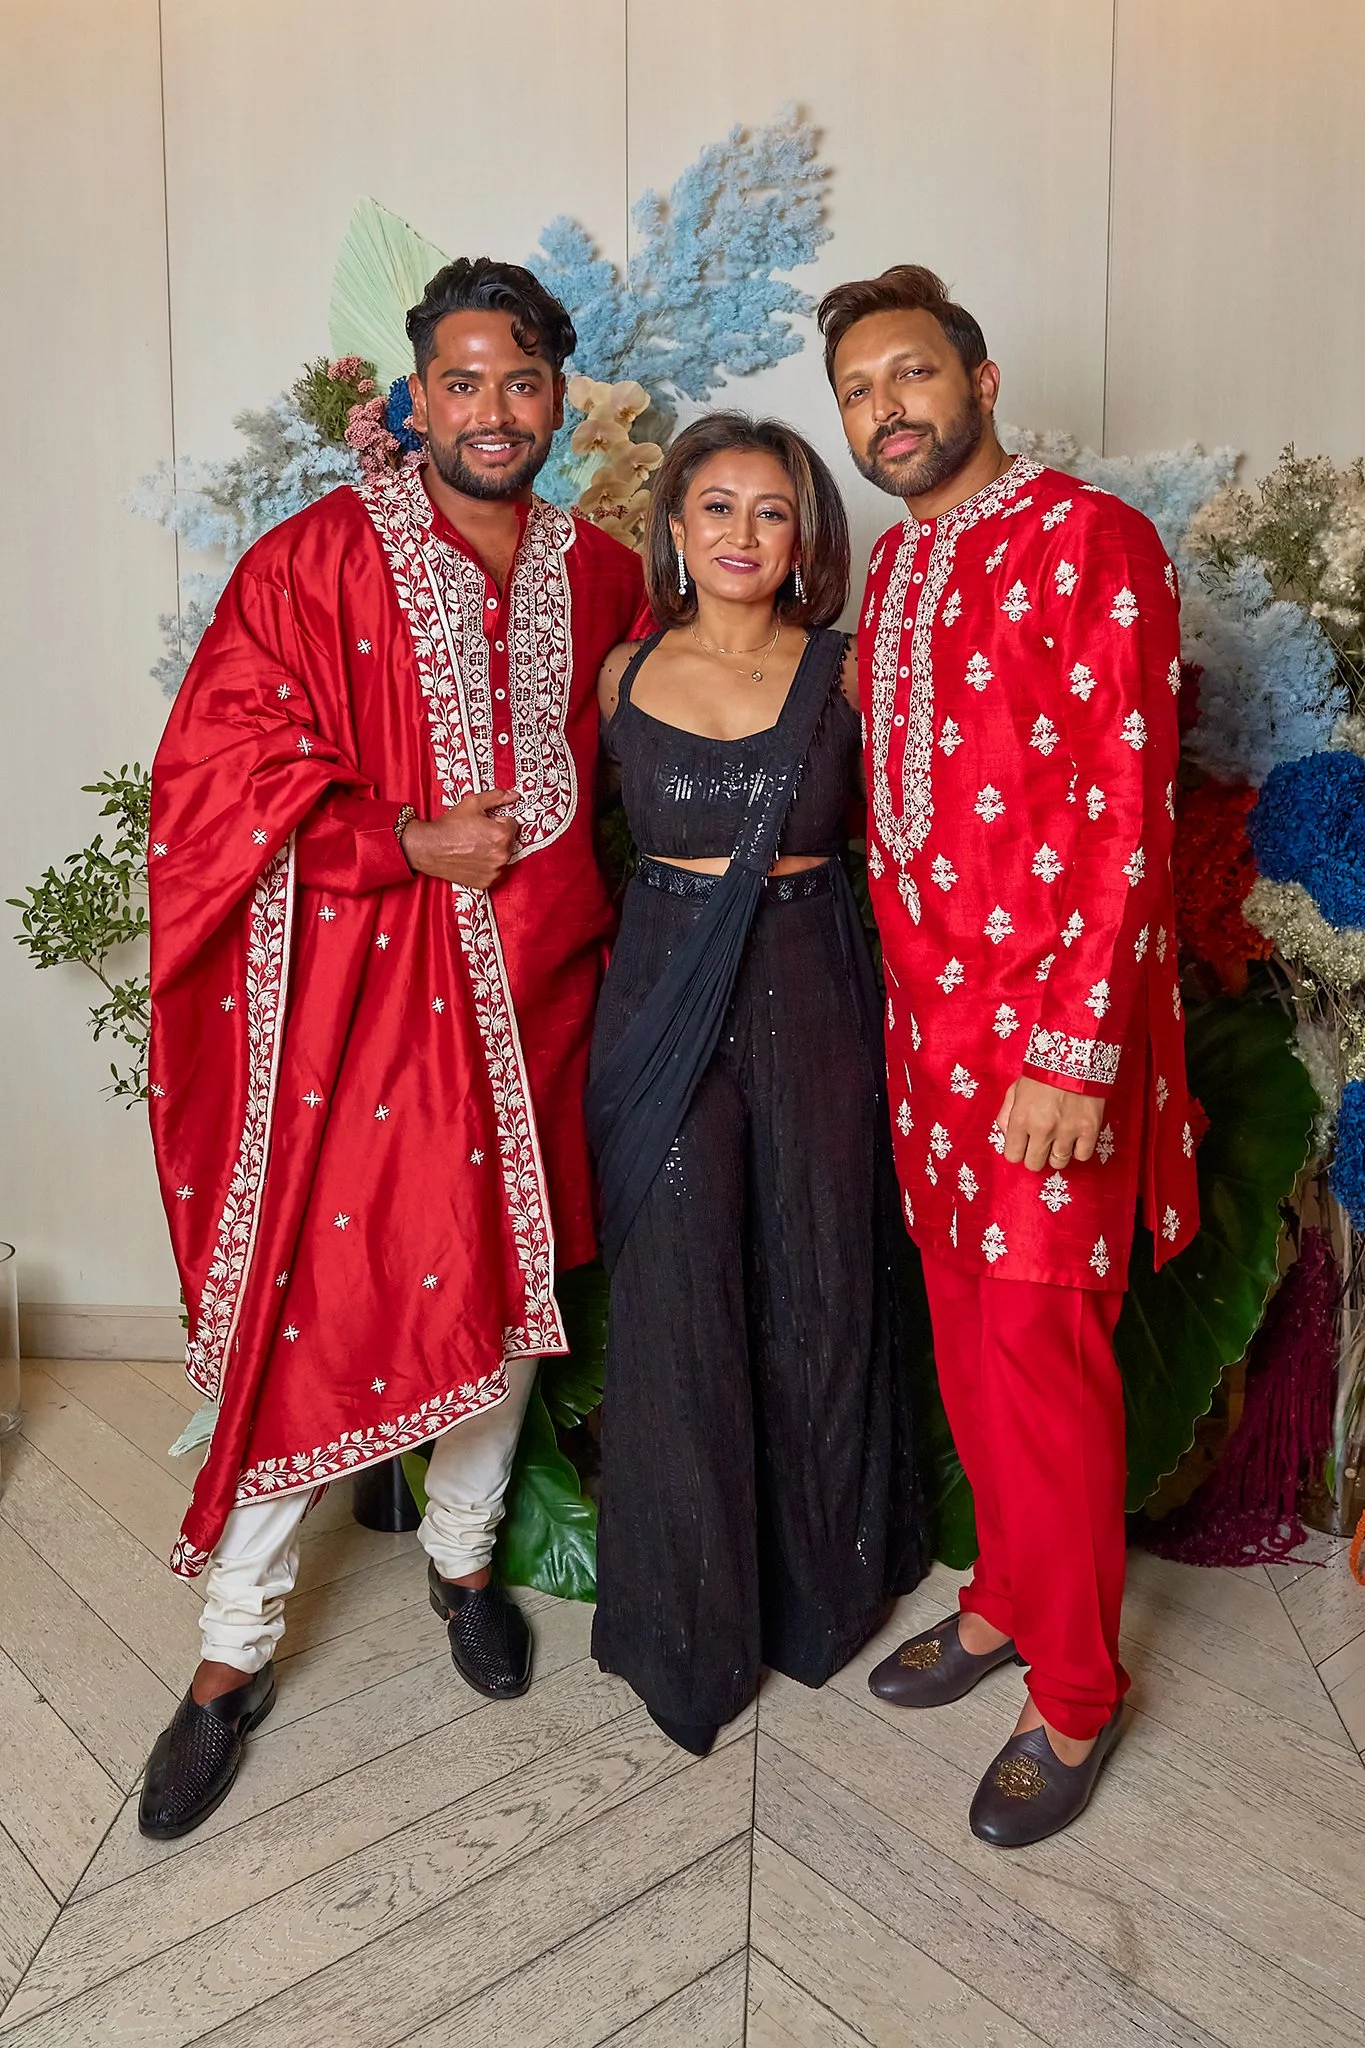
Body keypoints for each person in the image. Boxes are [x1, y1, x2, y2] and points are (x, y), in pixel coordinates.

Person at [139, 259, 645, 1838]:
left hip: (547, 993)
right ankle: (231, 1656)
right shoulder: (313, 562)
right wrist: (402, 840)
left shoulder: (608, 575)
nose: (494, 411)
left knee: (508, 1290)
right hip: (367, 1002)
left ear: (559, 398)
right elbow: (211, 773)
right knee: (324, 1298)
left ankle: (464, 1564)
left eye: (522, 382)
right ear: (413, 396)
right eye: (463, 382)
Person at [819, 265, 1198, 1846]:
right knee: (972, 1339)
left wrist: (1072, 1051)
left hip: (1052, 1044)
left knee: (1045, 1355)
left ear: (978, 380)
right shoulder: (899, 568)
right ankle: (1004, 1599)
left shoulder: (1092, 540)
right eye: (857, 392)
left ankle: (1080, 1691)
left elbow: (1128, 815)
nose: (886, 410)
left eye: (910, 374)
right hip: (933, 1044)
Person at [586, 412, 926, 1758]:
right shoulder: (622, 674)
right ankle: (687, 1627)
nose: (741, 532)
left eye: (770, 510)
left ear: (805, 536)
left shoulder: (848, 670)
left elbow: (915, 842)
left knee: (820, 1273)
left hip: (815, 980)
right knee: (678, 1294)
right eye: (716, 507)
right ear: (675, 527)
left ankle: (822, 1594)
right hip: (664, 990)